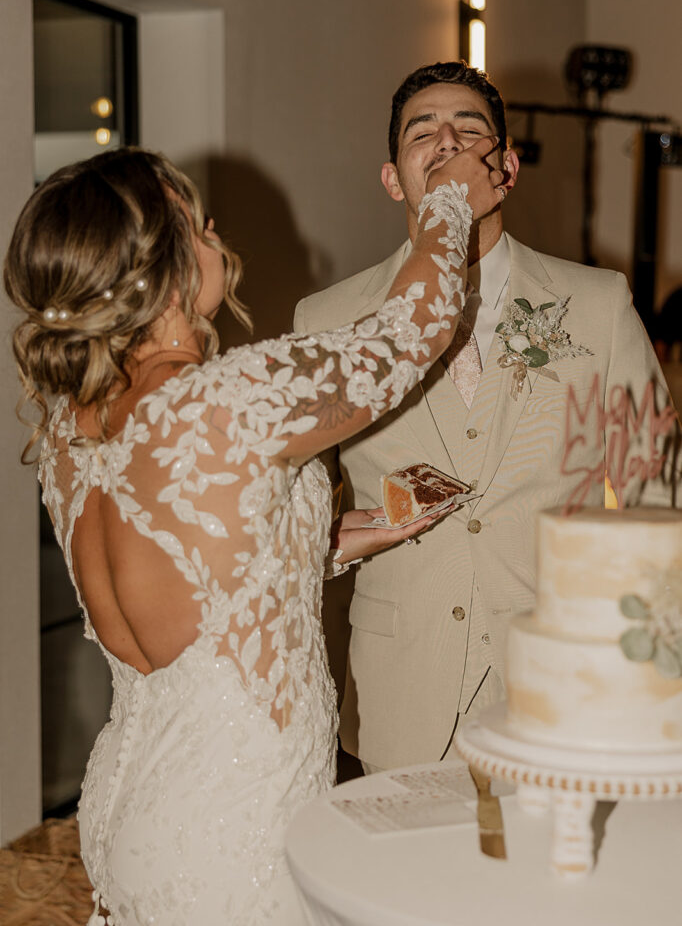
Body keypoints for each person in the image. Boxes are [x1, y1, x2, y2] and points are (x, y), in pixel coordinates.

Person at [4, 143, 503, 925]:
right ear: (160, 265)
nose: (219, 243)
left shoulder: (76, 430)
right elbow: (412, 331)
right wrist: (448, 203)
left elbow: (196, 579)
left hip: (125, 803)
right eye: (199, 228)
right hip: (233, 821)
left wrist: (336, 540)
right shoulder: (226, 400)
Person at [294, 61, 680, 774]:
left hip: (560, 680)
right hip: (398, 690)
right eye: (422, 130)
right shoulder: (327, 319)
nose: (446, 139)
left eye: (469, 128)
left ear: (505, 168)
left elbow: (658, 496)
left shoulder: (596, 302)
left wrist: (650, 674)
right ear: (391, 177)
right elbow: (289, 515)